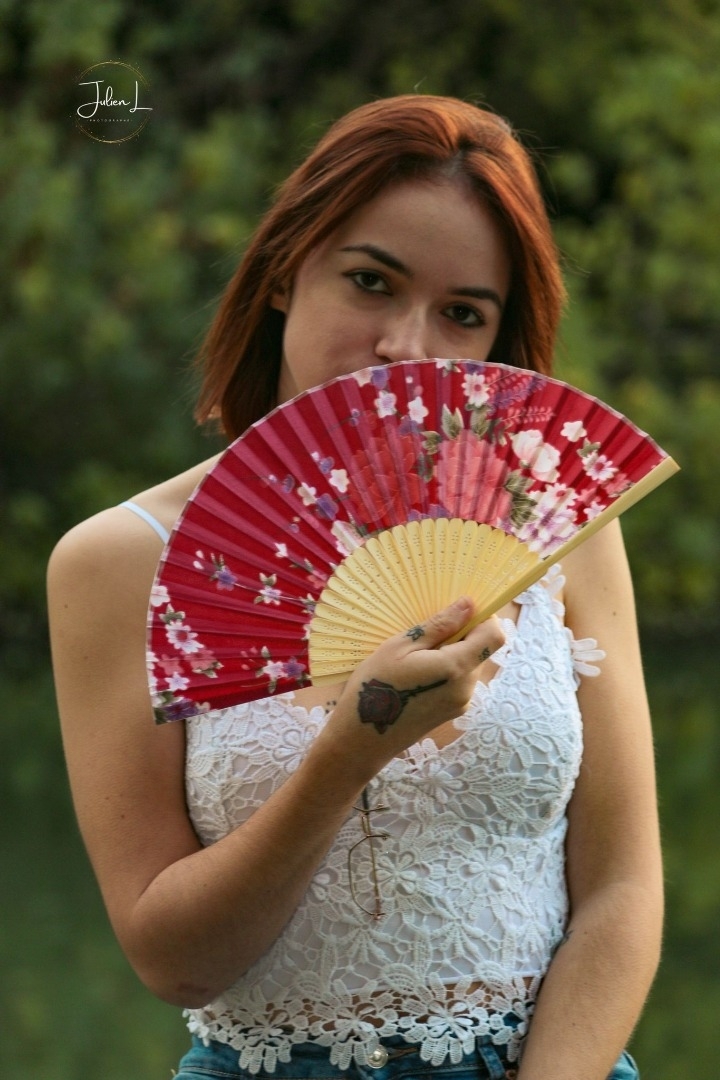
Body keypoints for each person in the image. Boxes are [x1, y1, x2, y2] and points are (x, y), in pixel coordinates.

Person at [47, 95, 663, 1080]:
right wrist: (347, 756)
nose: (406, 347)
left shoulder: (556, 528)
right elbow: (171, 960)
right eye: (371, 282)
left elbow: (622, 890)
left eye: (463, 313)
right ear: (285, 272)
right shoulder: (123, 561)